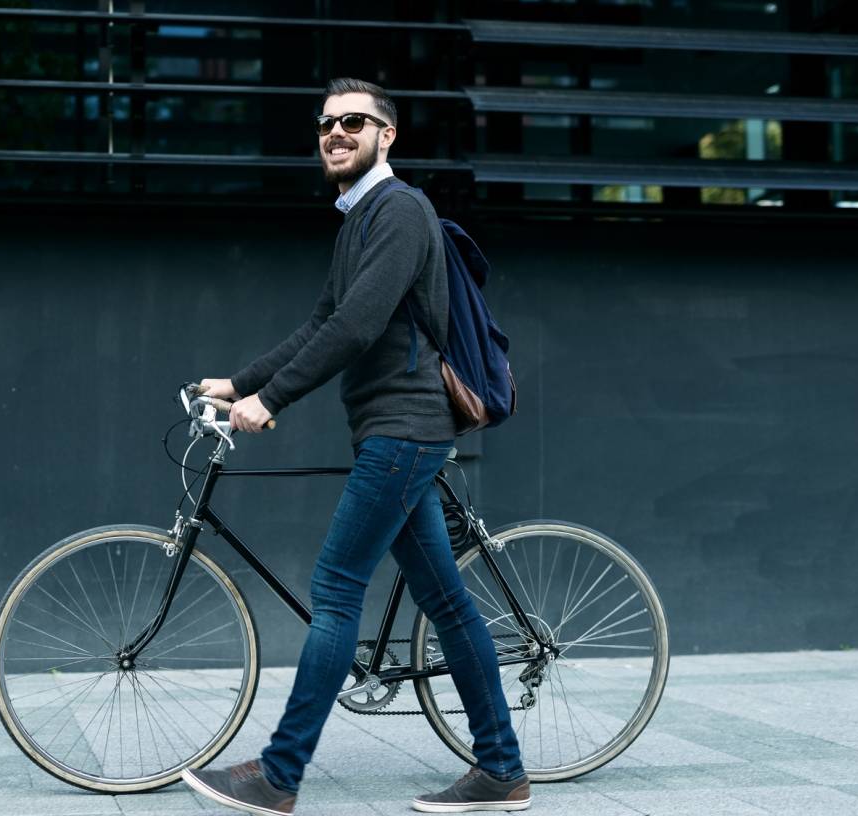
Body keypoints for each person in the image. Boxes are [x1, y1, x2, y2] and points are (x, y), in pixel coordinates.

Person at [181, 78, 530, 815]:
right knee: (446, 603)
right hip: (391, 430)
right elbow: (320, 322)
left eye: (353, 122)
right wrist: (238, 380)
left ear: (386, 135)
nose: (334, 133)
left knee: (337, 589)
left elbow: (357, 326)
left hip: (406, 430)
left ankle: (279, 775)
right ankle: (501, 769)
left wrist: (269, 401)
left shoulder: (400, 210)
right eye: (324, 124)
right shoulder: (358, 220)